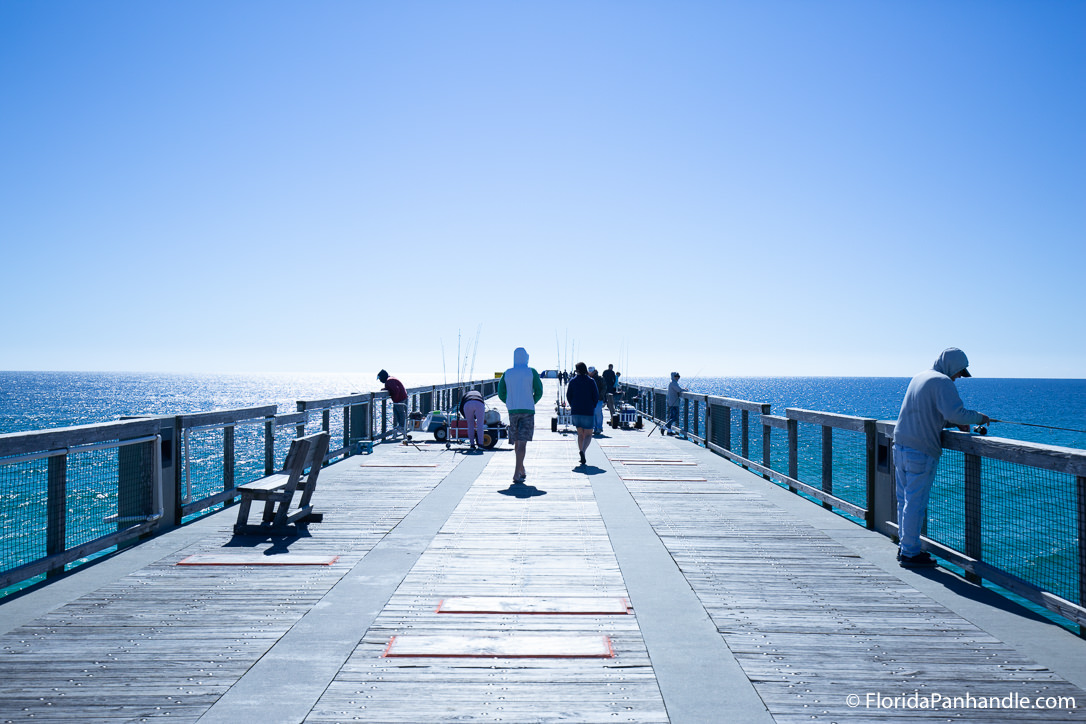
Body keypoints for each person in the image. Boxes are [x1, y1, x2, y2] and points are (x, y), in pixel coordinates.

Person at [893, 348, 989, 569]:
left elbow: (927, 413)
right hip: (921, 449)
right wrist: (980, 417)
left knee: (904, 501)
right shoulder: (942, 382)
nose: (958, 377)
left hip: (900, 445)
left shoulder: (920, 377)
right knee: (915, 504)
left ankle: (905, 545)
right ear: (952, 366)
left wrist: (951, 423)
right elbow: (956, 413)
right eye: (959, 373)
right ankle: (909, 553)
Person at [498, 347, 543, 483]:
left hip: (513, 411)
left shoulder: (507, 373)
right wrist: (531, 401)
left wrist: (510, 402)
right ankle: (516, 473)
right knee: (522, 444)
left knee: (517, 442)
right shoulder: (532, 372)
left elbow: (501, 392)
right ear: (526, 358)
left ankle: (521, 469)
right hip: (527, 411)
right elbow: (539, 391)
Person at [566, 362, 599, 466]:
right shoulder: (591, 381)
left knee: (580, 434)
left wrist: (573, 405)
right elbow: (596, 396)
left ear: (577, 370)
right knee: (589, 434)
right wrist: (592, 405)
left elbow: (568, 395)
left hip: (576, 411)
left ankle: (581, 451)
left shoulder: (572, 381)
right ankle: (583, 451)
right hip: (588, 411)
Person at [377, 369, 408, 436]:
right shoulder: (391, 379)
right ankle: (400, 425)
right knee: (396, 411)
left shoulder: (389, 381)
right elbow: (392, 388)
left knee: (400, 412)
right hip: (402, 397)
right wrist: (386, 389)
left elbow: (396, 390)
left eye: (379, 378)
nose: (380, 380)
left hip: (400, 398)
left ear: (382, 377)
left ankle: (402, 426)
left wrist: (395, 400)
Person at [589, 367, 606, 434]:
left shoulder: (600, 378)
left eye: (591, 372)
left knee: (597, 412)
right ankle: (594, 427)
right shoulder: (588, 379)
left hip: (599, 399)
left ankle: (599, 427)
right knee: (592, 413)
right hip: (590, 399)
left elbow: (604, 388)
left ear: (595, 371)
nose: (590, 373)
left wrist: (600, 396)